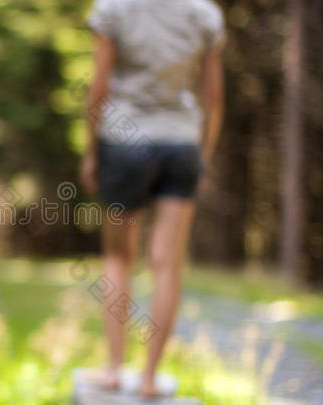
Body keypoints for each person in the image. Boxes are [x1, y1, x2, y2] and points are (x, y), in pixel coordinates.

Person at [79, 0, 225, 397]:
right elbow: (212, 97)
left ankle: (112, 369)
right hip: (182, 143)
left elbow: (100, 86)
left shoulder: (114, 8)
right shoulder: (203, 14)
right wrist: (203, 155)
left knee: (117, 257)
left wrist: (92, 151)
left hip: (125, 141)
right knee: (167, 263)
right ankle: (148, 378)